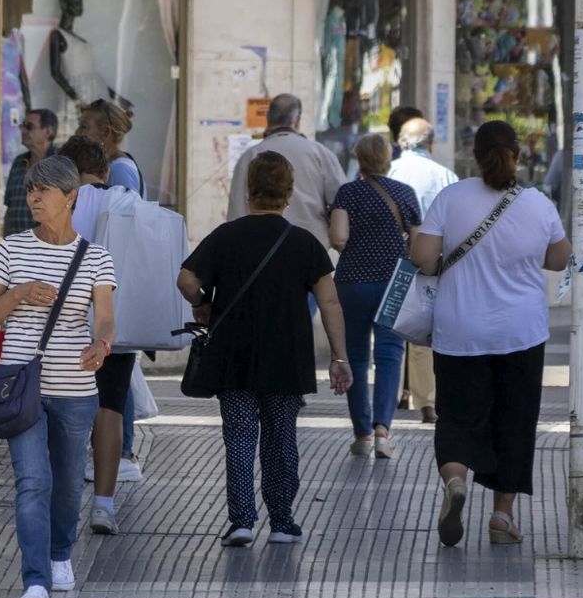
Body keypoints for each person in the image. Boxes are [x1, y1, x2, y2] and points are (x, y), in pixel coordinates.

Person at [409, 121, 571, 549]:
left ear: (475, 156)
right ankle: (501, 517)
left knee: (458, 418)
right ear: (517, 155)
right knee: (514, 422)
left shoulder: (451, 197)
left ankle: (457, 481)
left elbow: (424, 260)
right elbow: (559, 259)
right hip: (521, 334)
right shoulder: (538, 203)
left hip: (459, 331)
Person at [179, 152, 353, 546]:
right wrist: (340, 357)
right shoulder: (304, 243)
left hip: (234, 354)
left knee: (239, 436)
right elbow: (330, 303)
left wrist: (203, 303)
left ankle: (241, 520)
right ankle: (282, 521)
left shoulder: (226, 236)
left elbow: (186, 279)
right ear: (288, 193)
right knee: (280, 437)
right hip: (286, 356)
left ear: (248, 190)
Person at [0, 155, 117, 598]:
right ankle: (35, 578)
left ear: (71, 197)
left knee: (68, 481)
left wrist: (102, 344)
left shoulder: (96, 257)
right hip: (22, 388)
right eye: (30, 190)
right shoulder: (11, 250)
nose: (34, 198)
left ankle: (60, 555)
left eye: (44, 191)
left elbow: (106, 318)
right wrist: (18, 294)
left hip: (76, 389)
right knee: (33, 480)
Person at [57, 134, 143, 535]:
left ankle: (64, 498)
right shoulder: (125, 201)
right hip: (113, 321)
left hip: (65, 322)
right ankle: (104, 506)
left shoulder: (60, 205)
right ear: (105, 171)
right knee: (110, 409)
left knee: (65, 409)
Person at [329, 133, 421, 459]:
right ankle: (383, 431)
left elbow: (338, 238)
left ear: (359, 158)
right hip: (394, 283)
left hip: (352, 282)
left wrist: (354, 244)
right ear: (387, 158)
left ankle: (362, 433)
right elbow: (419, 245)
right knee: (389, 355)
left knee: (354, 356)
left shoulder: (348, 193)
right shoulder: (405, 193)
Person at [387, 118, 461, 423]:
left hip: (391, 262)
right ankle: (426, 401)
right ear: (430, 144)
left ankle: (390, 395)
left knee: (389, 331)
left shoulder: (389, 171)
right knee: (423, 328)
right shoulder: (445, 175)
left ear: (401, 142)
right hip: (430, 262)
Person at [226, 93, 346, 250]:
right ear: (297, 120)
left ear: (268, 118)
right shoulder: (320, 153)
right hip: (312, 249)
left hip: (261, 250)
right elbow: (342, 201)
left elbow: (236, 213)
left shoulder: (250, 156)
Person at [3, 108, 58, 236]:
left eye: (29, 127)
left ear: (48, 132)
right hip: (16, 248)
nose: (23, 131)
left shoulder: (60, 162)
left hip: (47, 249)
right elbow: (10, 209)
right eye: (22, 126)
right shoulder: (19, 162)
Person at [78, 97, 143, 197]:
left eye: (84, 127)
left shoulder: (119, 169)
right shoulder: (111, 164)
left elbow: (127, 211)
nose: (77, 132)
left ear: (105, 132)